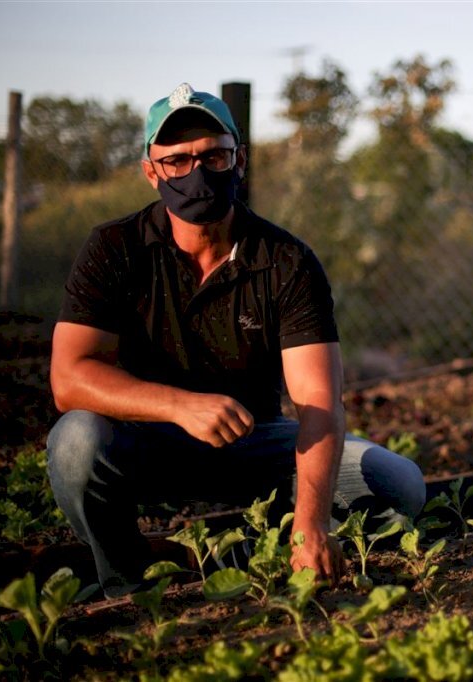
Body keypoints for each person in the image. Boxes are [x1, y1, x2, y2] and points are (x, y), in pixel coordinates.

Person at [45, 83, 425, 598]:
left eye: (213, 156)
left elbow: (318, 403)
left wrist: (312, 523)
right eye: (176, 160)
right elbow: (70, 378)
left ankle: (249, 552)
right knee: (75, 442)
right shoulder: (115, 248)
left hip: (254, 443)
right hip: (142, 443)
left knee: (398, 482)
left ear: (239, 160)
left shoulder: (286, 261)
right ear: (150, 171)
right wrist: (180, 406)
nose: (196, 172)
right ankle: (125, 577)